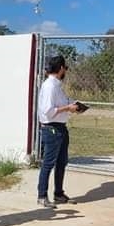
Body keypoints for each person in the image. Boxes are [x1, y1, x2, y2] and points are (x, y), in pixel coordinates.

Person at [36, 55, 79, 207]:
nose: (65, 70)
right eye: (65, 67)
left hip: (60, 127)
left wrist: (71, 106)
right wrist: (68, 108)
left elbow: (58, 105)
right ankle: (42, 196)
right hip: (52, 128)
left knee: (62, 162)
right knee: (48, 163)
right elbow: (48, 111)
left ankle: (59, 194)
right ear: (61, 68)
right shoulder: (50, 86)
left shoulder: (56, 85)